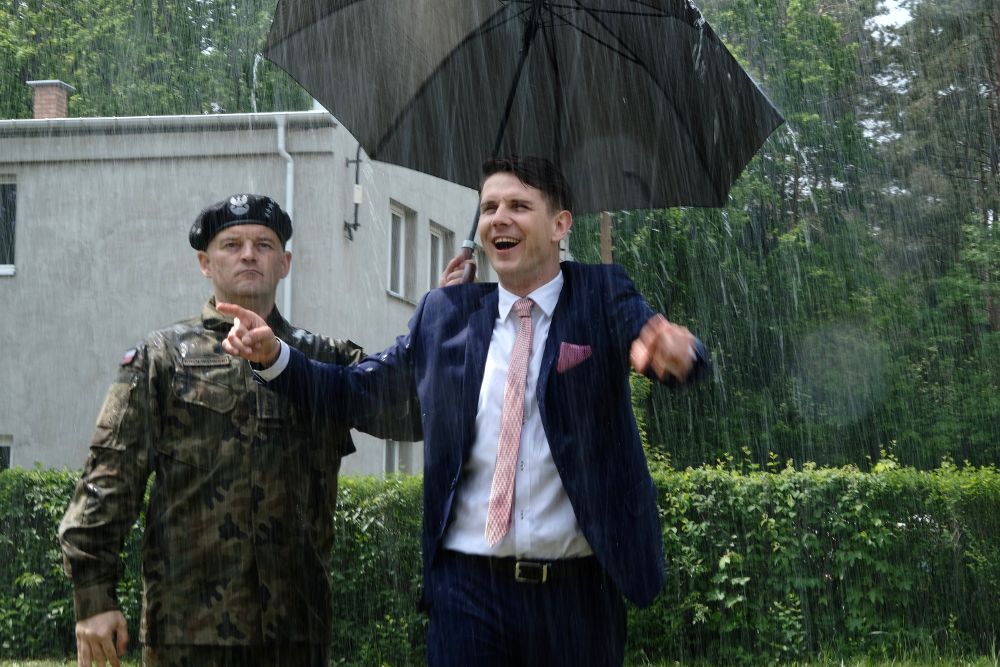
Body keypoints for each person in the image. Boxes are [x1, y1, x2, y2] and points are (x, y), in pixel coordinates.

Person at [220, 156, 711, 666]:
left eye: (519, 206)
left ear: (560, 225)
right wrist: (276, 357)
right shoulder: (446, 313)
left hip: (578, 599)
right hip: (468, 594)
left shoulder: (600, 293)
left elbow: (663, 347)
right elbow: (358, 391)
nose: (500, 218)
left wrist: (681, 355)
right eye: (490, 206)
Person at [58, 194, 368, 667]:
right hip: (188, 633)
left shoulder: (324, 360)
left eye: (264, 245)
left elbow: (407, 407)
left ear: (285, 263)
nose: (249, 255)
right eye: (232, 245)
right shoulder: (162, 357)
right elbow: (109, 476)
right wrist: (94, 597)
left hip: (296, 633)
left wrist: (446, 315)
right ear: (206, 263)